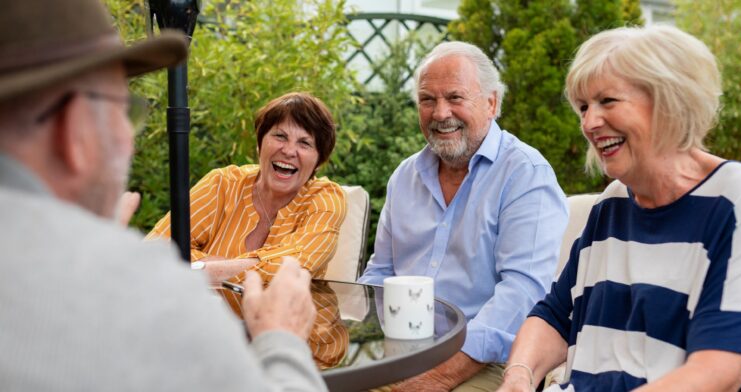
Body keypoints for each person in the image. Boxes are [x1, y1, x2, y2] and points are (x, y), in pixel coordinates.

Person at [0, 1, 327, 390]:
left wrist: (191, 265)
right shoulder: (140, 289)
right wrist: (283, 340)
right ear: (74, 129)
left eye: (304, 143)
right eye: (124, 112)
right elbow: (168, 250)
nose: (130, 141)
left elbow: (178, 254)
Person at [498, 25, 741, 392]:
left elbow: (718, 372)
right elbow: (556, 318)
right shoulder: (613, 203)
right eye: (584, 107)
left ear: (669, 102)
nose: (588, 123)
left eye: (607, 101)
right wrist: (519, 376)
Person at [358, 41, 569, 391]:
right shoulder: (404, 176)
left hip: (488, 361)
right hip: (401, 352)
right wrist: (359, 338)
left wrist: (440, 375)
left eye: (455, 97)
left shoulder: (525, 174)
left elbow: (524, 292)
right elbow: (382, 274)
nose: (440, 113)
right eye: (428, 100)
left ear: (492, 103)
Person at [146, 92, 347, 367]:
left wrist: (204, 270)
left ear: (318, 160)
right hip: (209, 343)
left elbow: (296, 265)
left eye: (305, 143)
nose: (289, 150)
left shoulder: (325, 198)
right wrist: (227, 269)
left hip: (298, 350)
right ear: (260, 143)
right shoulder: (223, 184)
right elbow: (156, 250)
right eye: (279, 136)